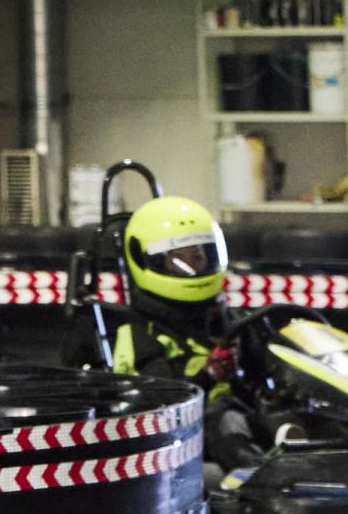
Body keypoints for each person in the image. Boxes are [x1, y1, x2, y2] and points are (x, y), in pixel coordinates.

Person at [91, 194, 261, 471]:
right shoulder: (138, 333)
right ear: (153, 263)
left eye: (198, 257)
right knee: (225, 418)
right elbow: (160, 405)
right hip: (181, 437)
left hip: (241, 416)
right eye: (179, 260)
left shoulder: (228, 319)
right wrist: (209, 376)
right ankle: (255, 475)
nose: (193, 268)